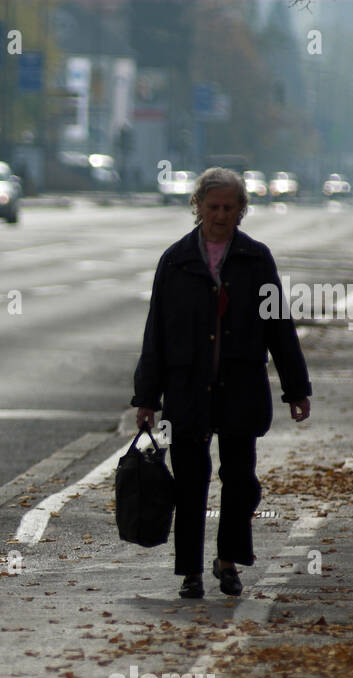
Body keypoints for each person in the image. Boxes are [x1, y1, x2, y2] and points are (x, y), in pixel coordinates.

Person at [131, 167, 312, 600]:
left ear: (242, 210)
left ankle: (228, 562)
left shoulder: (256, 259)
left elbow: (278, 325)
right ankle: (190, 571)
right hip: (187, 392)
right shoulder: (175, 260)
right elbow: (155, 332)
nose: (221, 214)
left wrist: (296, 387)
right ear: (198, 207)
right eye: (213, 207)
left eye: (230, 207)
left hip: (240, 389)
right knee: (190, 482)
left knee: (241, 481)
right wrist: (146, 397)